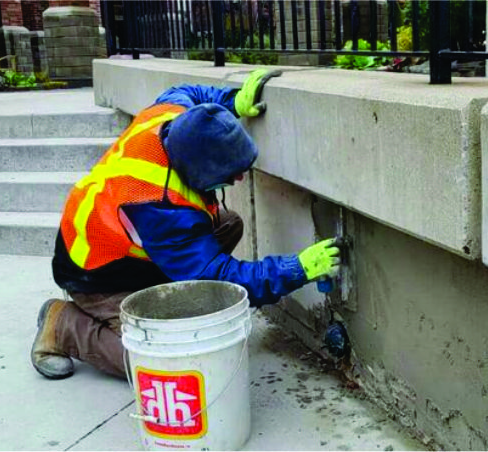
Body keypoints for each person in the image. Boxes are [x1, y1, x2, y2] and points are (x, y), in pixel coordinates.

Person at [31, 69, 341, 380]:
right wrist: (295, 269)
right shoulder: (160, 205)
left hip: (119, 239)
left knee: (228, 224)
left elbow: (189, 92)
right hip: (96, 273)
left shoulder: (171, 116)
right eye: (230, 173)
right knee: (163, 364)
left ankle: (167, 292)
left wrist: (232, 102)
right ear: (198, 170)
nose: (239, 178)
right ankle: (63, 326)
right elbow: (219, 276)